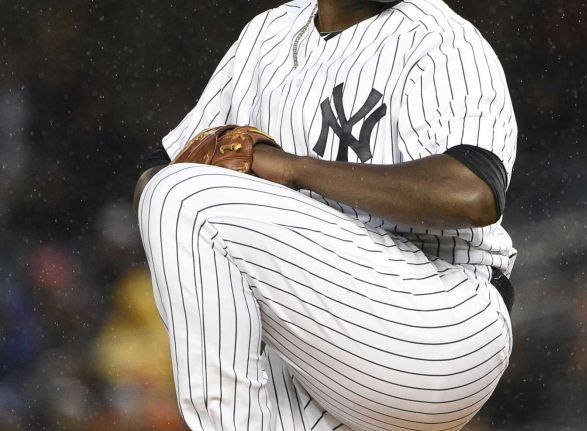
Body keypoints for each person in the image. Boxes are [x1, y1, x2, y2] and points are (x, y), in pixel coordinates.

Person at [134, 0, 518, 429]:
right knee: (174, 201)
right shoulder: (269, 33)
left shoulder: (439, 37)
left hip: (438, 317)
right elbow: (152, 181)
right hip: (330, 346)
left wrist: (294, 169)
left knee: (184, 199)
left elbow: (472, 194)